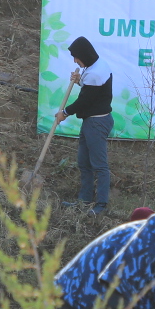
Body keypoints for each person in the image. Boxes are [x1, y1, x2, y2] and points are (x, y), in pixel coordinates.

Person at [55, 36, 113, 214]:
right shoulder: (96, 66)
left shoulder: (95, 72)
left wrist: (65, 113)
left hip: (97, 122)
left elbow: (85, 101)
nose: (75, 61)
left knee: (99, 165)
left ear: (84, 55)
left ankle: (101, 205)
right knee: (84, 162)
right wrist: (80, 80)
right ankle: (84, 200)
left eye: (76, 57)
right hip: (91, 121)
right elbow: (92, 92)